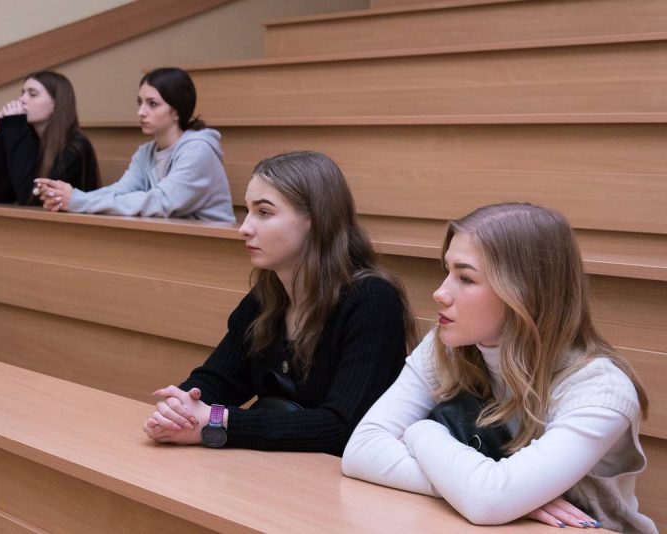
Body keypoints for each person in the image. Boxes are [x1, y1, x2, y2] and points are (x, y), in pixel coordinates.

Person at [342, 203, 655, 533]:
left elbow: (487, 500)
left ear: (526, 292)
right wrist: (481, 490)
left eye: (465, 278)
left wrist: (420, 432)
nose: (440, 293)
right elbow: (361, 450)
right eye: (447, 271)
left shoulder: (601, 391)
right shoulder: (447, 345)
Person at [142, 151, 416, 455]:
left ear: (316, 219)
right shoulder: (266, 296)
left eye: (263, 212)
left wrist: (219, 421)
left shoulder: (372, 302)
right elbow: (218, 379)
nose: (245, 228)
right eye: (248, 211)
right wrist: (181, 408)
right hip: (279, 468)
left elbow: (342, 427)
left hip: (339, 476)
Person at [35, 67, 235, 222]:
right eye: (139, 102)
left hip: (210, 245)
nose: (141, 112)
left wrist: (78, 201)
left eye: (152, 104)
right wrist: (70, 197)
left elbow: (161, 202)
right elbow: (121, 190)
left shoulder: (198, 149)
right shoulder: (146, 152)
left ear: (176, 111)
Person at [0, 71, 99, 205]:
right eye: (22, 93)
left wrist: (15, 128)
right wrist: (5, 131)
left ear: (56, 103)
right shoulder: (28, 138)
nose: (22, 99)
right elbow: (0, 194)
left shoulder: (75, 146)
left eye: (32, 94)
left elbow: (30, 197)